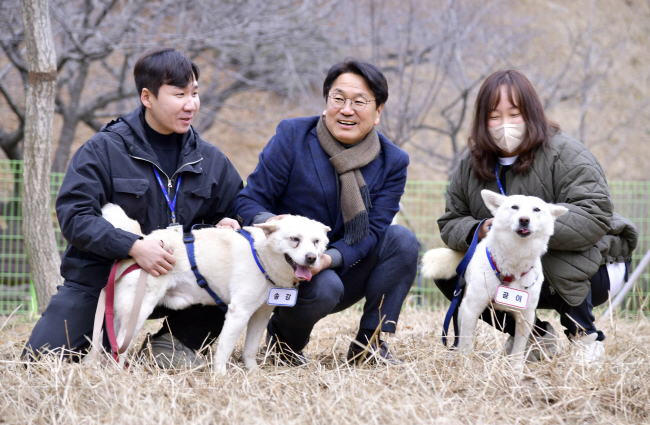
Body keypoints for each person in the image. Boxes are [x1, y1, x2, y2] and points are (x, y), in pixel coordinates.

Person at [23, 48, 244, 368]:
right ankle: (101, 337)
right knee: (41, 362)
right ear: (147, 97)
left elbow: (238, 205)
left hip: (183, 279)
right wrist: (133, 246)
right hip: (103, 281)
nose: (191, 104)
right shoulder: (103, 149)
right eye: (179, 94)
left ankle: (172, 345)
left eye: (195, 93)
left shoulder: (209, 158)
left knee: (237, 288)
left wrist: (229, 222)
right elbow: (75, 216)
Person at [435, 70, 638, 363]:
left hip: (599, 265)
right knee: (449, 265)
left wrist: (536, 226)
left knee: (537, 250)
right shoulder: (472, 163)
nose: (505, 124)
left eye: (514, 113)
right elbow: (452, 219)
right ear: (482, 120)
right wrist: (482, 229)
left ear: (531, 113)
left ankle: (584, 336)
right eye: (494, 116)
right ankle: (533, 337)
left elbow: (595, 214)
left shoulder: (565, 152)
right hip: (514, 269)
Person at [234, 59, 419, 365]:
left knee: (402, 240)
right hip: (286, 265)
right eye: (338, 99)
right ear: (326, 102)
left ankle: (370, 344)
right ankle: (284, 345)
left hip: (346, 261)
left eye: (359, 102)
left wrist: (329, 258)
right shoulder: (293, 136)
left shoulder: (392, 161)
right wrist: (271, 224)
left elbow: (373, 231)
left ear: (378, 112)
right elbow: (249, 200)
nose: (347, 110)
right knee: (325, 287)